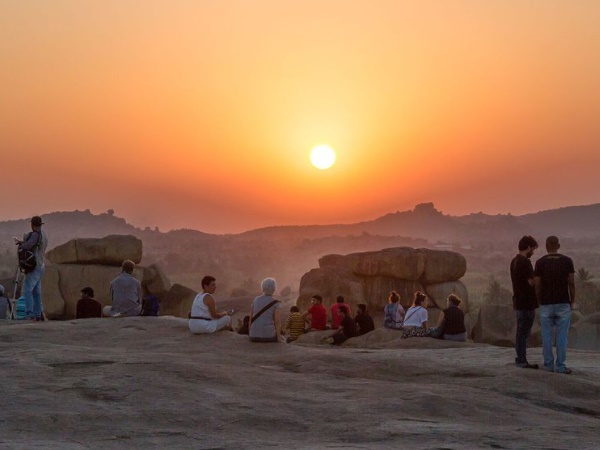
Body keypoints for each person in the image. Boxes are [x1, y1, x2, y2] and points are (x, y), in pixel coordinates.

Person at [534, 236, 576, 374]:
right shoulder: (567, 261)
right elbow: (571, 283)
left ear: (546, 246)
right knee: (562, 336)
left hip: (546, 303)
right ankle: (560, 366)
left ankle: (548, 365)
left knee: (546, 335)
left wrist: (539, 300)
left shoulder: (540, 263)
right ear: (558, 245)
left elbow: (538, 285)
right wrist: (572, 299)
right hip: (563, 302)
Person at [510, 235, 539, 369]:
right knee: (524, 333)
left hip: (518, 302)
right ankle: (522, 360)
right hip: (527, 302)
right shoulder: (525, 262)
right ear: (528, 247)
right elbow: (531, 282)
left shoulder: (514, 261)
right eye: (533, 248)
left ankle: (520, 358)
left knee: (520, 332)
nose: (533, 252)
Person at [14, 216, 48, 320]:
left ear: (32, 225)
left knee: (27, 289)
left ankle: (29, 313)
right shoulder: (43, 235)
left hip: (35, 266)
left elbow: (27, 247)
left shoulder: (35, 235)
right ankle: (37, 314)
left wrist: (21, 243)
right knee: (36, 292)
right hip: (41, 266)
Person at [249, 277, 282, 343]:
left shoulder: (256, 299)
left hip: (253, 336)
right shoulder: (276, 303)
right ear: (274, 288)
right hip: (268, 336)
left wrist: (251, 333)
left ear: (263, 287)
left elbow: (251, 317)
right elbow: (277, 321)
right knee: (283, 338)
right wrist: (279, 338)